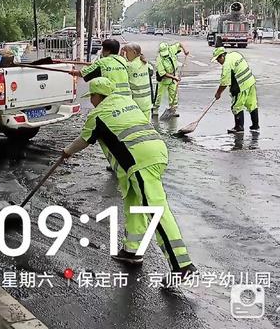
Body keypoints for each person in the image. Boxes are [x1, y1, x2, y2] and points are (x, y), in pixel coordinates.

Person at [62, 77, 197, 281]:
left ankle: (182, 265)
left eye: (92, 97)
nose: (92, 101)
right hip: (155, 151)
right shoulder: (127, 101)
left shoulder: (98, 115)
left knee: (155, 208)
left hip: (140, 160)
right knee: (134, 202)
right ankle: (132, 251)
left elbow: (83, 140)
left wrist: (66, 152)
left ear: (98, 96)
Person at [211, 47, 259, 134]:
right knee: (252, 104)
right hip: (250, 81)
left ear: (222, 56)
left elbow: (224, 82)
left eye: (218, 59)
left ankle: (239, 127)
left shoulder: (226, 65)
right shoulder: (235, 54)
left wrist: (218, 93)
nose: (218, 62)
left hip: (241, 85)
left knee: (236, 106)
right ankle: (255, 125)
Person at [153, 41, 189, 116]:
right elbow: (162, 73)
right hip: (163, 79)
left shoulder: (171, 49)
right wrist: (174, 78)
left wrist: (185, 50)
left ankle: (173, 110)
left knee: (173, 94)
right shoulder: (159, 59)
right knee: (159, 95)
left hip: (172, 77)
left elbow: (179, 44)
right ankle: (155, 110)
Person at [121, 43, 153, 121]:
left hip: (136, 102)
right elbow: (151, 71)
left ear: (134, 52)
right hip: (147, 102)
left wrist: (121, 57)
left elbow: (119, 65)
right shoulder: (146, 63)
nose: (126, 54)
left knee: (137, 127)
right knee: (147, 126)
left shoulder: (130, 66)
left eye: (127, 52)